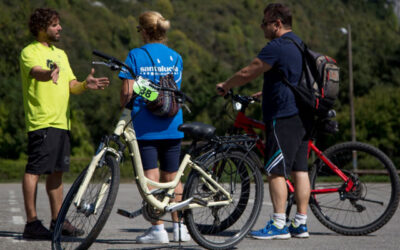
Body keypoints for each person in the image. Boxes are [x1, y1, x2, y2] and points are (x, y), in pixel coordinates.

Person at [216, 3, 311, 240]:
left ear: (277, 23)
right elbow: (289, 77)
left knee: (276, 170)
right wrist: (264, 93)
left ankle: (279, 224)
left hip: (283, 115)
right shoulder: (299, 43)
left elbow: (251, 70)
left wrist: (226, 84)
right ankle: (300, 223)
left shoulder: (277, 46)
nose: (262, 27)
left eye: (265, 22)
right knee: (300, 169)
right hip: (302, 114)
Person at [19, 8, 110, 240]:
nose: (60, 28)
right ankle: (31, 223)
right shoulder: (29, 51)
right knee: (35, 170)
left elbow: (71, 85)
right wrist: (49, 74)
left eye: (59, 24)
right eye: (55, 24)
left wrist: (84, 84)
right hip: (42, 121)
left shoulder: (61, 54)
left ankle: (57, 220)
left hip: (62, 123)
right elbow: (36, 72)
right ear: (42, 28)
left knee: (57, 172)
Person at [118, 11, 191, 244]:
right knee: (173, 176)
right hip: (173, 122)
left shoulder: (135, 55)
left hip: (146, 125)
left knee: (150, 175)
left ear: (146, 31)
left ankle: (158, 228)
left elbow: (128, 93)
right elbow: (170, 93)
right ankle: (179, 227)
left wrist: (137, 92)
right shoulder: (176, 57)